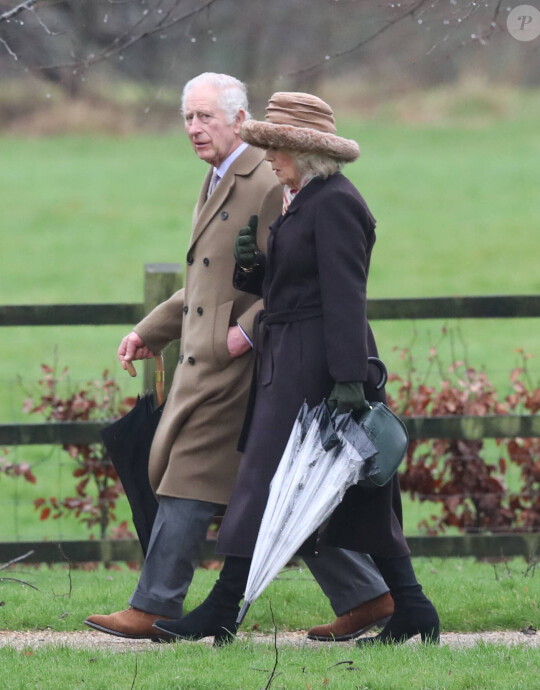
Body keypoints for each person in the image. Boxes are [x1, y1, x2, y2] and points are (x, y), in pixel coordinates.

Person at [85, 76, 392, 643]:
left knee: (191, 479)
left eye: (205, 117)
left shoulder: (271, 179)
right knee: (276, 493)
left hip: (248, 369)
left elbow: (300, 282)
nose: (194, 129)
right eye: (188, 118)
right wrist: (151, 330)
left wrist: (246, 334)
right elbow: (207, 283)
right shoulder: (216, 179)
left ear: (239, 118)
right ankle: (370, 595)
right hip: (206, 360)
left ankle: (155, 604)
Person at [154, 92, 440, 647]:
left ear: (303, 153)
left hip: (317, 366)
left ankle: (223, 607)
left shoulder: (336, 204)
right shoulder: (303, 199)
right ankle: (412, 607)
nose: (269, 158)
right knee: (348, 492)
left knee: (267, 483)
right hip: (289, 358)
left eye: (276, 148)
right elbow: (296, 286)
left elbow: (344, 296)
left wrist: (350, 379)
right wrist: (255, 269)